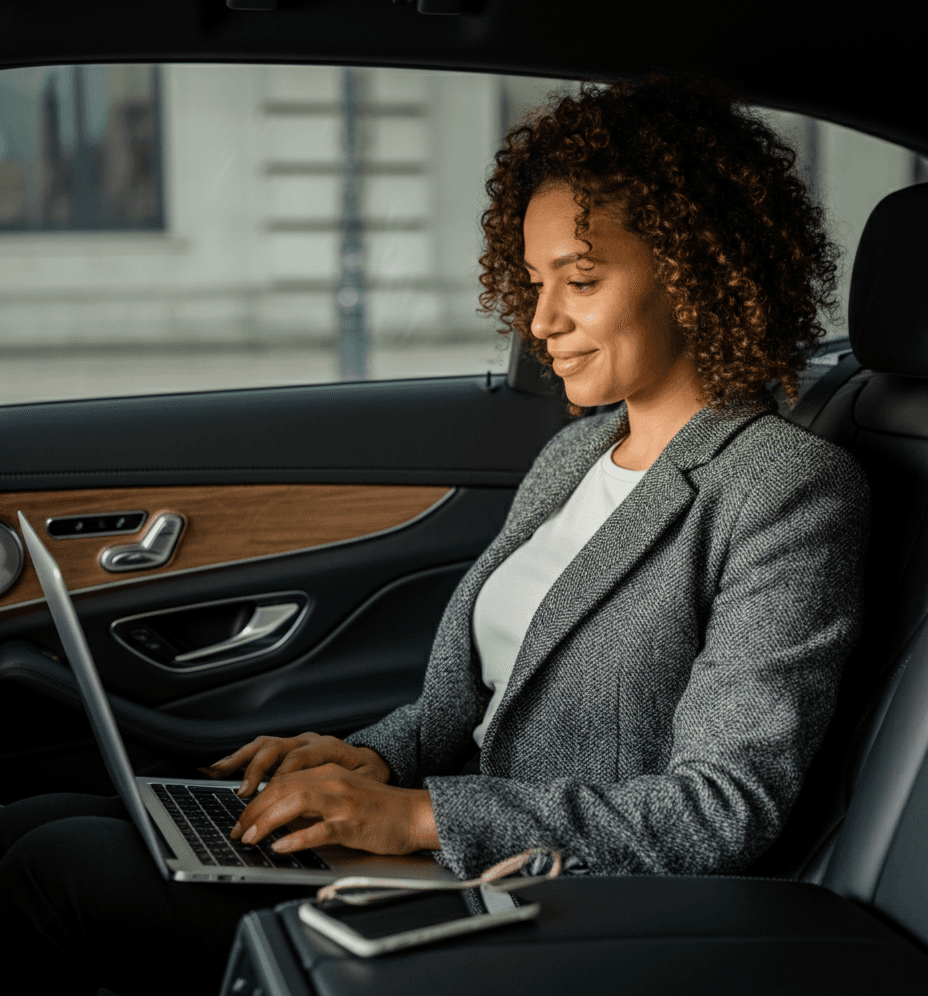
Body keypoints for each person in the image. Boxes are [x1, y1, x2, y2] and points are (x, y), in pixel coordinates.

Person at [0, 71, 869, 993]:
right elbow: (486, 703)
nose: (541, 322)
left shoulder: (785, 488)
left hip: (551, 900)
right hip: (453, 847)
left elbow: (722, 812)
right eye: (534, 283)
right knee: (35, 816)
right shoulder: (576, 455)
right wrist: (374, 757)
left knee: (53, 868)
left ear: (699, 270)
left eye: (580, 281)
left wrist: (416, 820)